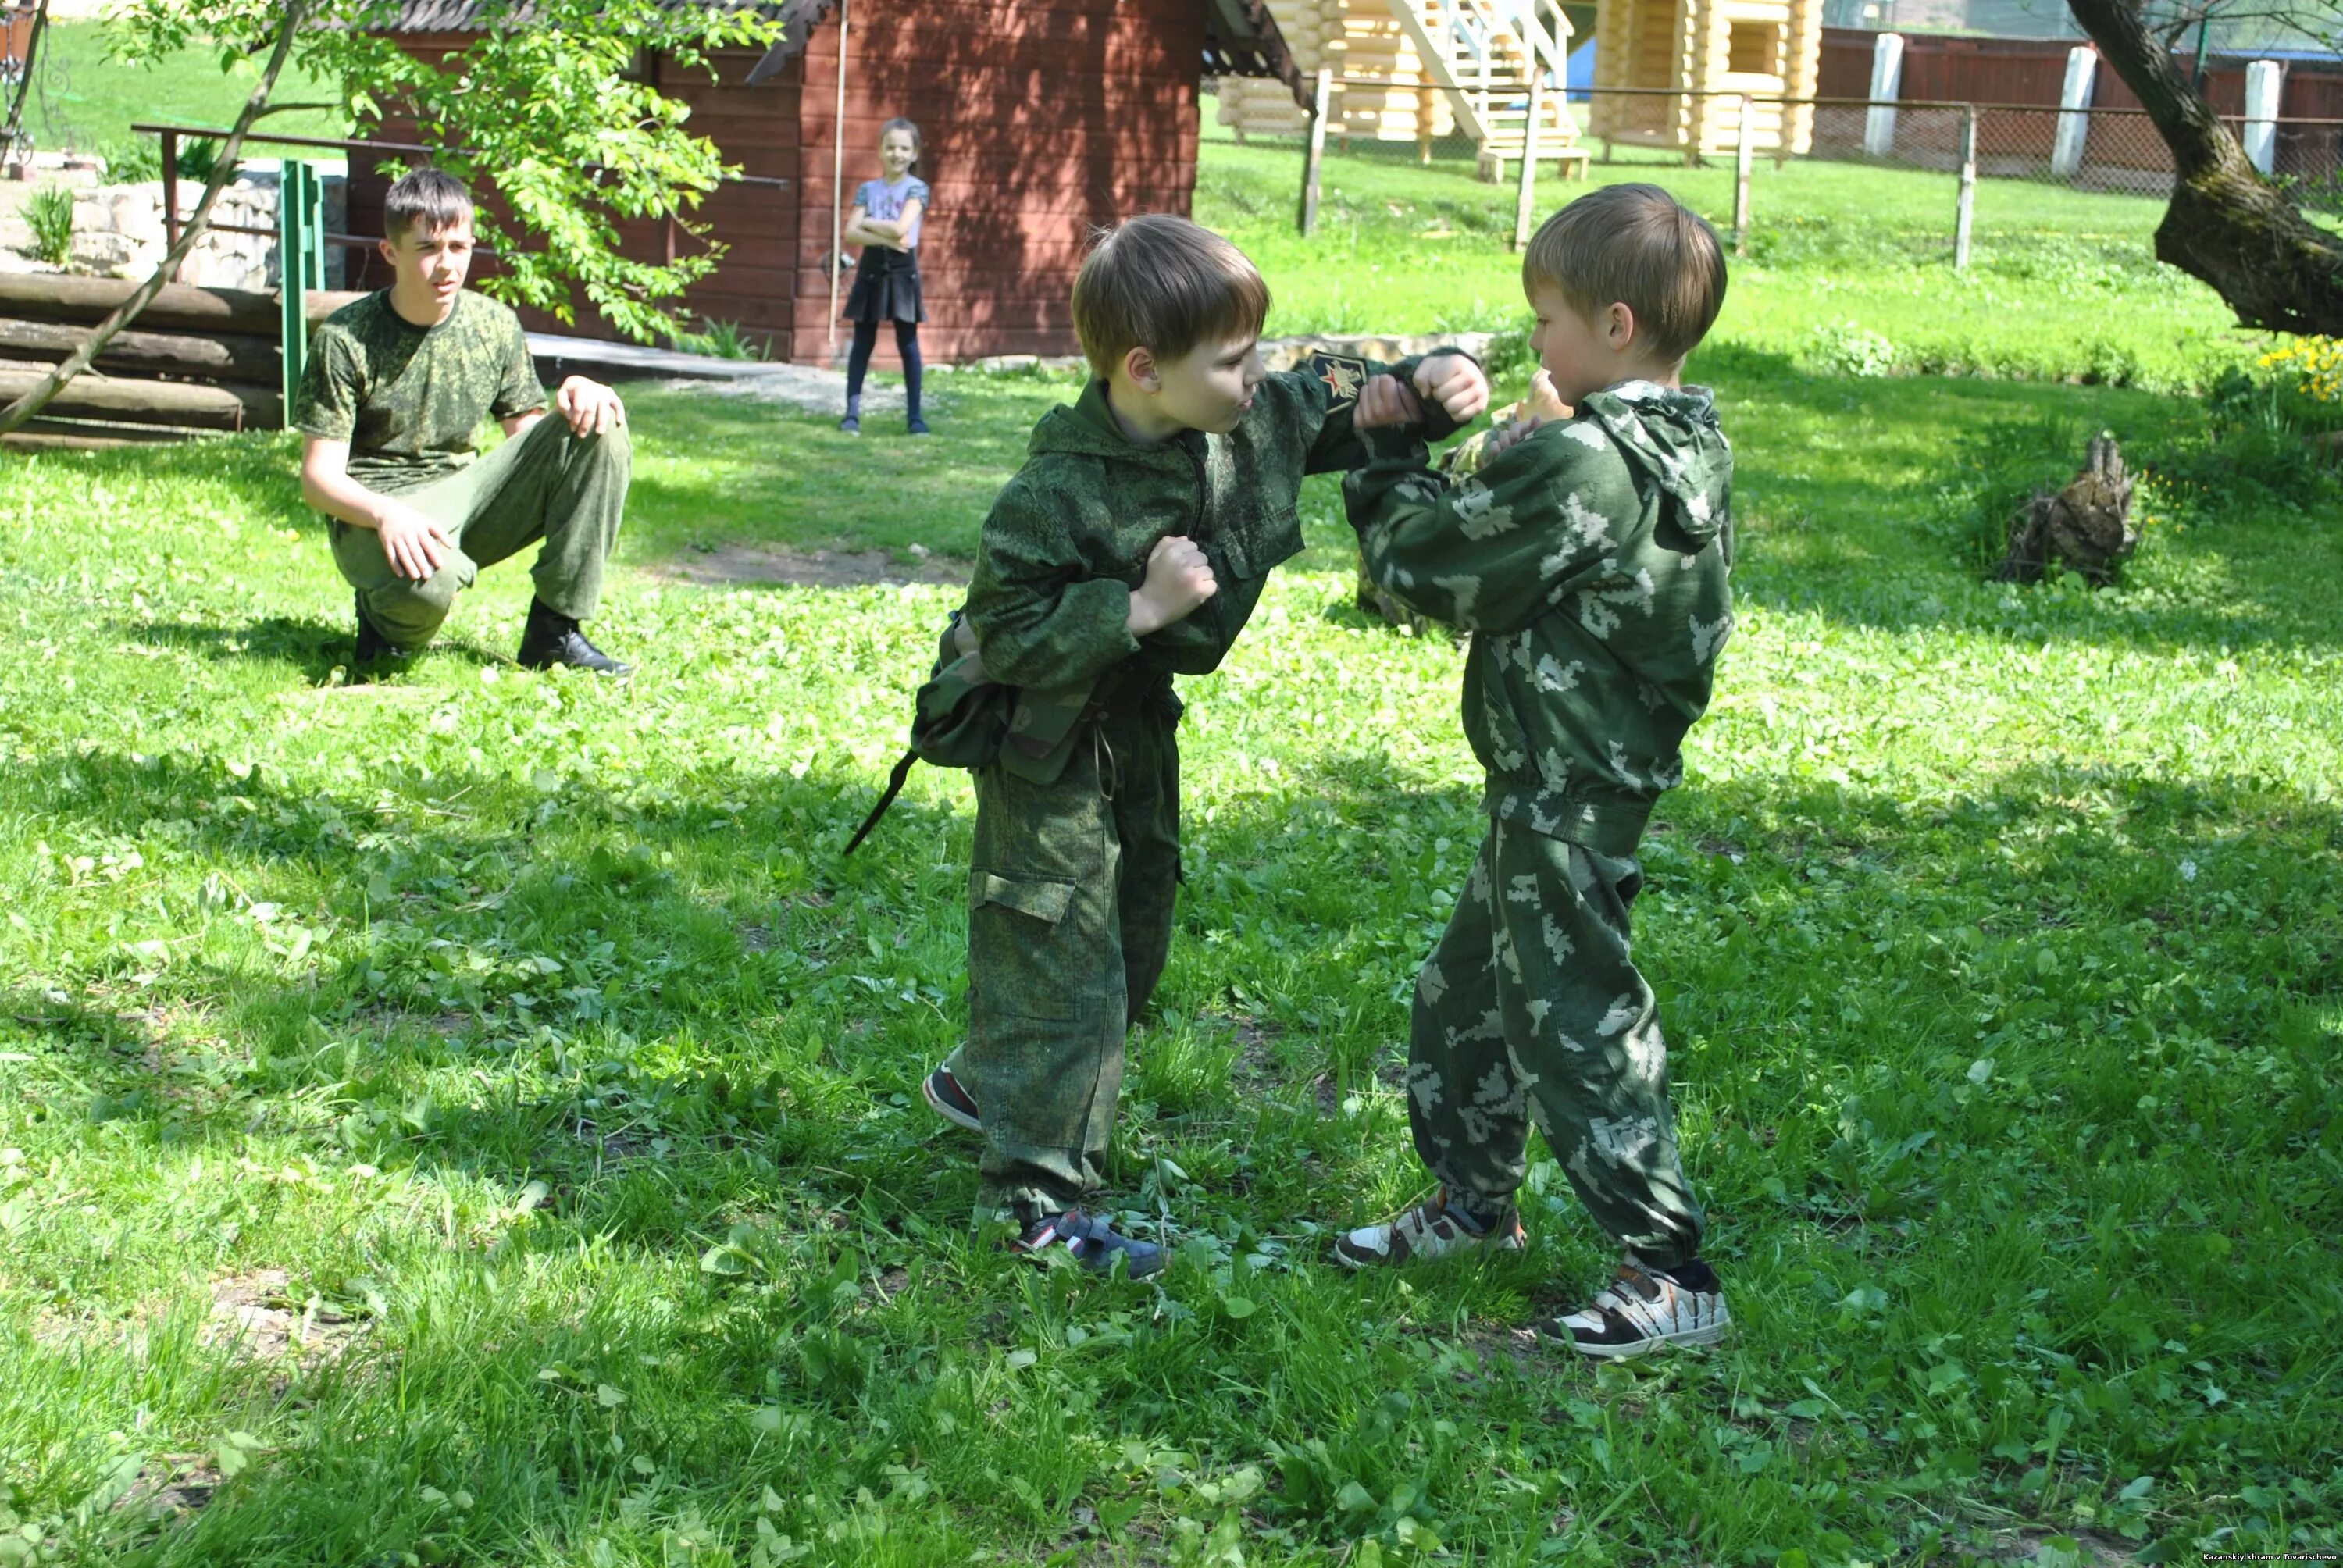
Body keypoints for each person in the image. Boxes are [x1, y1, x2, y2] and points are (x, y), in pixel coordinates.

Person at [918, 214, 1489, 1275]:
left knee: (1134, 938)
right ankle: (1037, 1208)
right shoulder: (1056, 492)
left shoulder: (1251, 414)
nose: (1259, 372)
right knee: (1065, 957)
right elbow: (1002, 629)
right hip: (1044, 744)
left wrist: (1434, 376)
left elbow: (1345, 390)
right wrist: (1131, 610)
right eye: (1234, 358)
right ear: (1144, 372)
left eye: (1256, 347)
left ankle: (985, 1082)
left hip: (1133, 733)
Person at [1330, 184, 1737, 1359]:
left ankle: (1671, 1273)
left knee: (1576, 1023)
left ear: (1615, 327)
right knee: (1465, 998)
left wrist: (1389, 446)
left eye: (1548, 320)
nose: (1535, 343)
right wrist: (1524, 447)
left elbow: (1424, 570)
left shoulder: (1592, 465)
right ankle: (1472, 1205)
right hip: (1559, 782)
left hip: (1566, 792)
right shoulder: (1679, 439)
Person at [295, 166, 633, 675]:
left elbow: (534, 443)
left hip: (467, 496)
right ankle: (385, 625)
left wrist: (583, 394)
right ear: (392, 253)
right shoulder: (346, 338)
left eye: (459, 247)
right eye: (428, 248)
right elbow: (319, 480)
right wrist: (388, 515)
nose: (446, 265)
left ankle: (554, 632)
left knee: (598, 426)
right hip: (378, 513)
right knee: (426, 586)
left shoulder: (494, 325)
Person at [838, 118, 930, 437]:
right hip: (871, 270)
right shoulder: (868, 189)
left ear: (914, 153)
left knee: (908, 343)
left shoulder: (917, 189)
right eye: (890, 147)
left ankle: (915, 418)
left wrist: (872, 226)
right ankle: (851, 415)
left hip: (904, 273)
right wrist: (889, 238)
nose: (897, 154)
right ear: (880, 150)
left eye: (904, 148)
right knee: (863, 342)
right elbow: (851, 231)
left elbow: (902, 228)